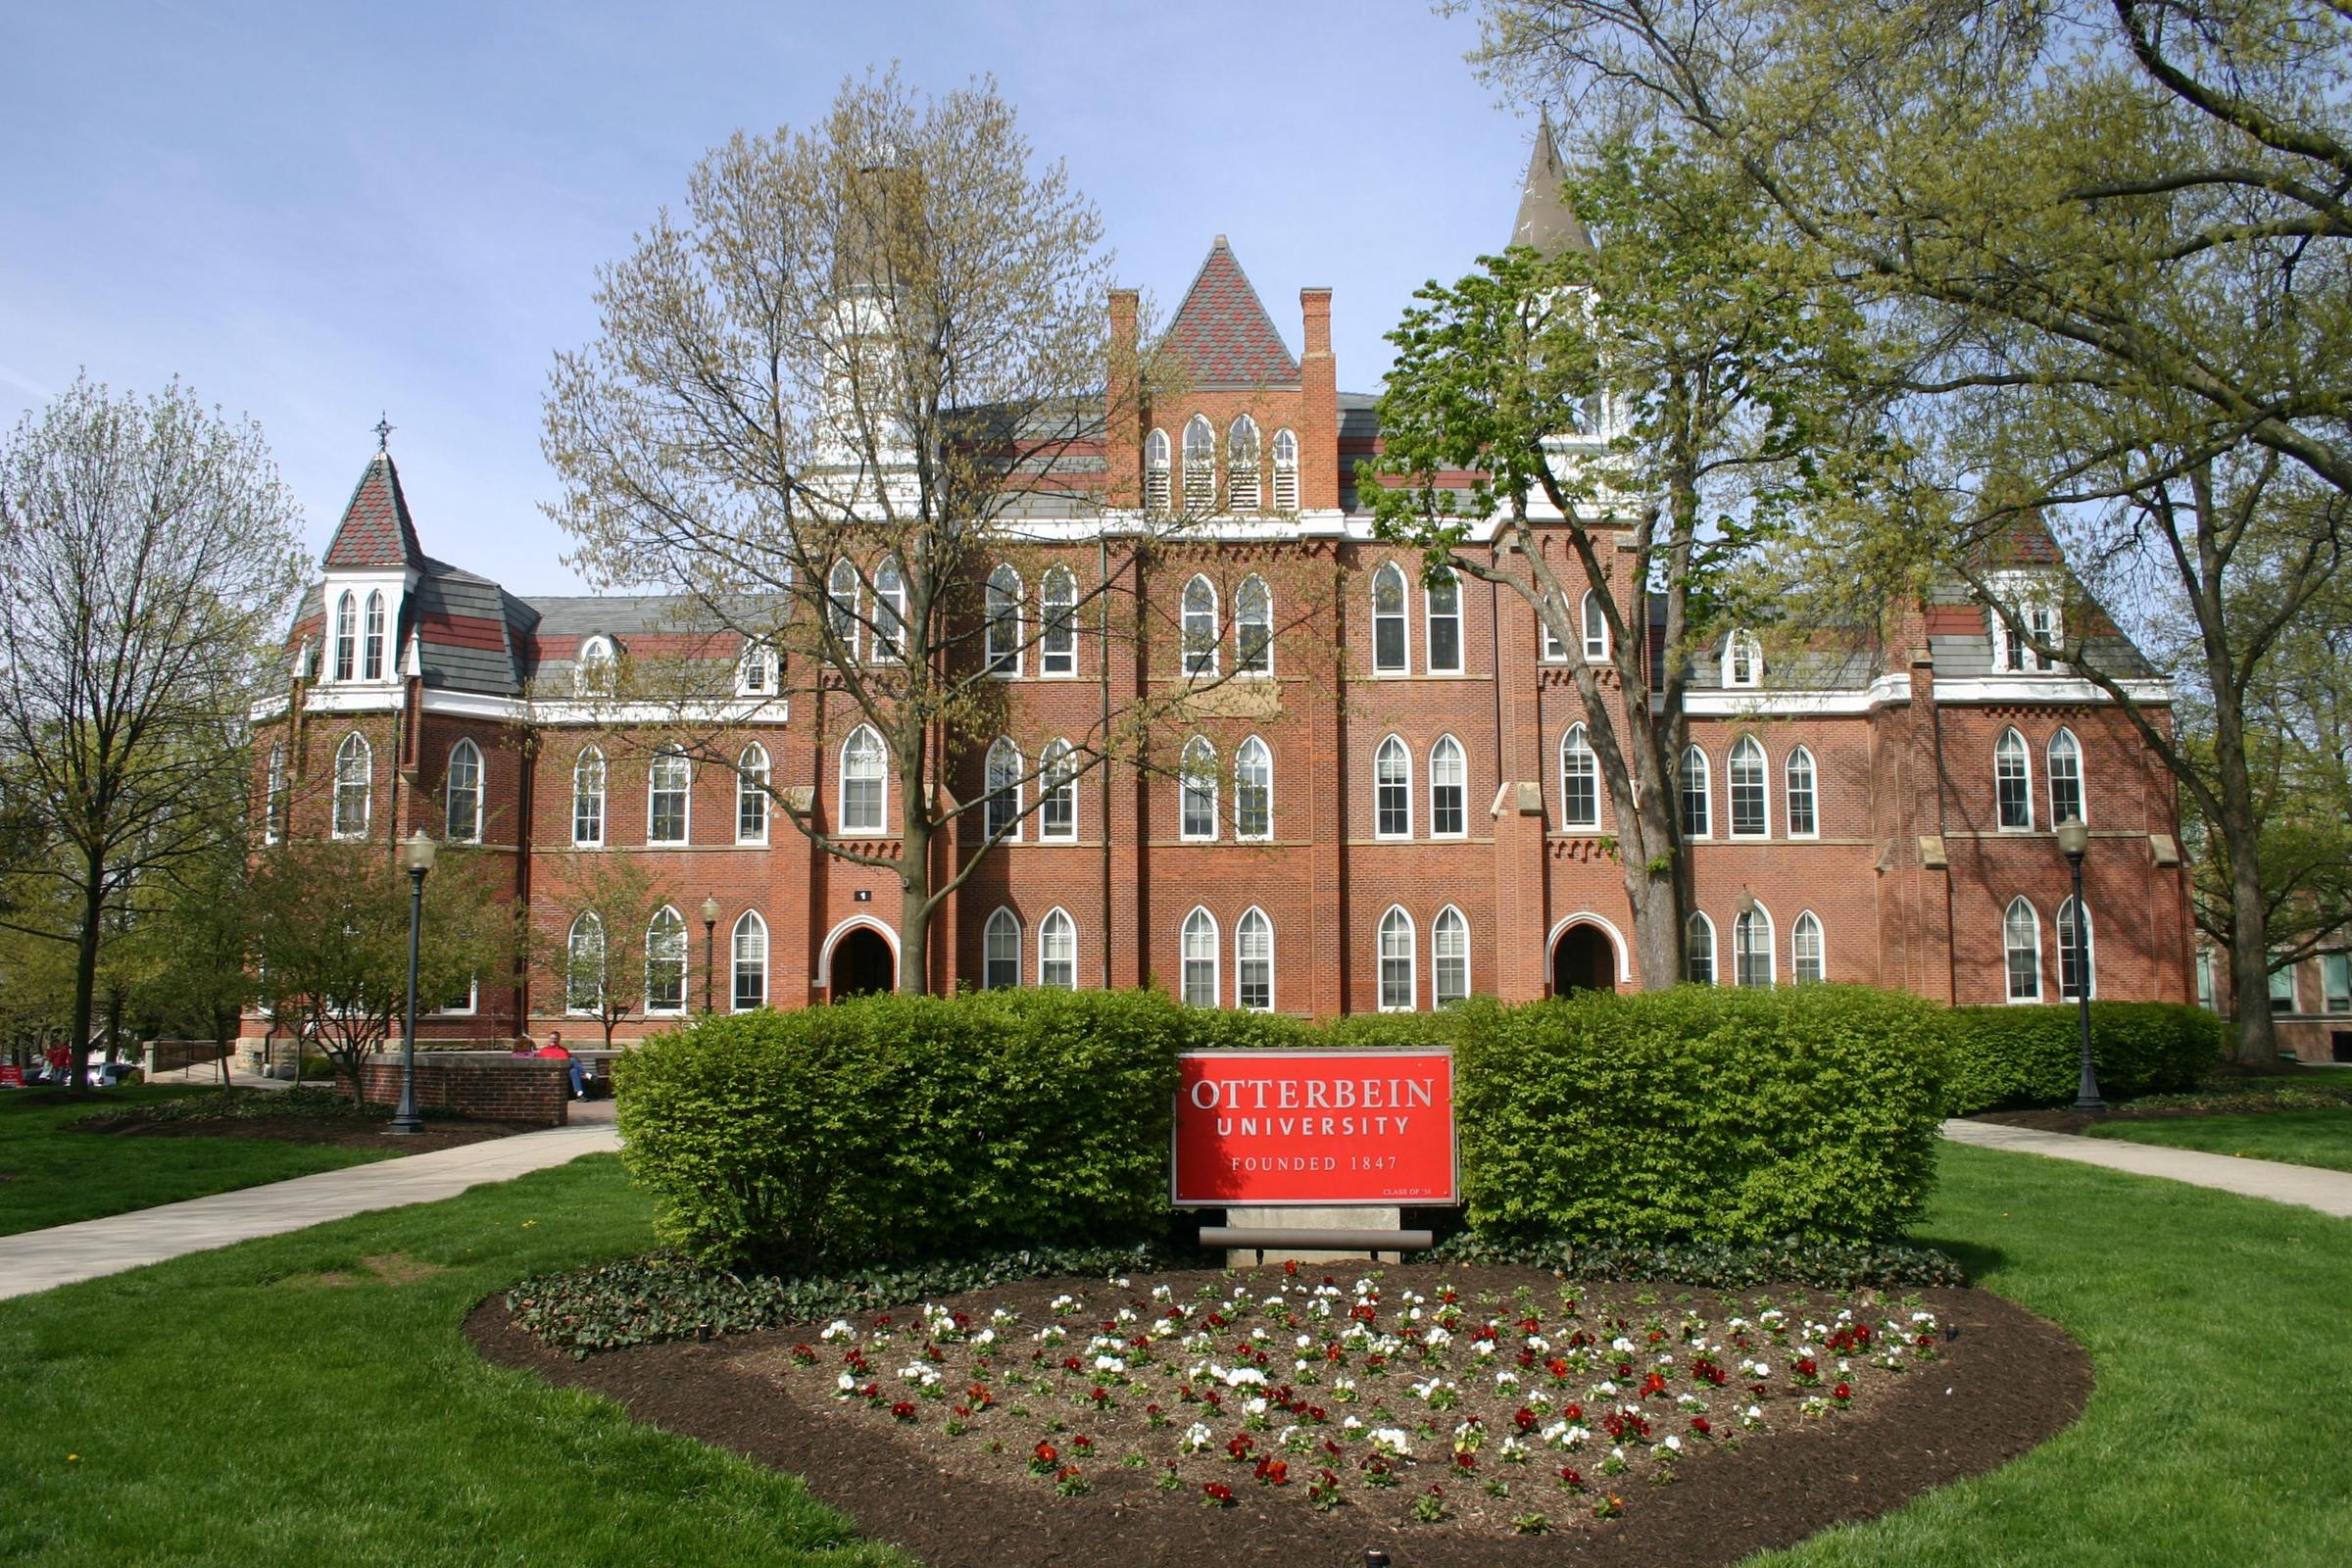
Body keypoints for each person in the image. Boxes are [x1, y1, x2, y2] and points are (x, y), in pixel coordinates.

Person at [536, 1030, 586, 1100]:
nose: (553, 1040)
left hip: (565, 1072)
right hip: (551, 1072)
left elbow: (570, 1059)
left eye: (555, 1038)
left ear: (559, 1040)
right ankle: (585, 1074)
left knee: (574, 1071)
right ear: (549, 1039)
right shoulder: (544, 1050)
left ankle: (580, 1095)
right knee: (573, 1061)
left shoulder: (563, 1050)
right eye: (552, 1038)